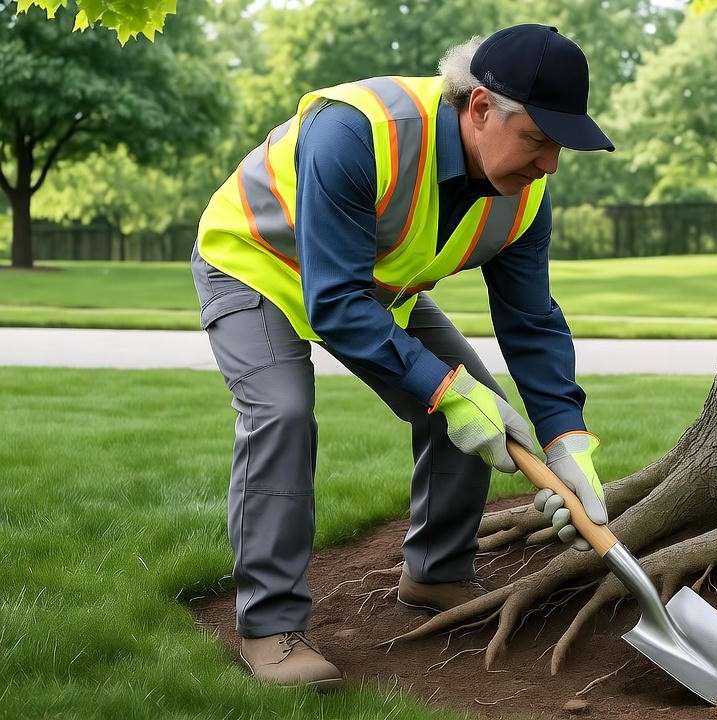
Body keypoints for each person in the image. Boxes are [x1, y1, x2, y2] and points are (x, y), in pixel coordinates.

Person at [191, 24, 613, 688]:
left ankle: (436, 573)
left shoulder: (526, 195)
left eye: (559, 146)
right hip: (257, 266)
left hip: (374, 288)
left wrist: (567, 441)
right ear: (479, 109)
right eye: (538, 139)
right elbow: (333, 303)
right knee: (283, 412)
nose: (550, 164)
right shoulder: (356, 132)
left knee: (475, 396)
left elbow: (532, 323)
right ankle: (270, 628)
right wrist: (445, 391)